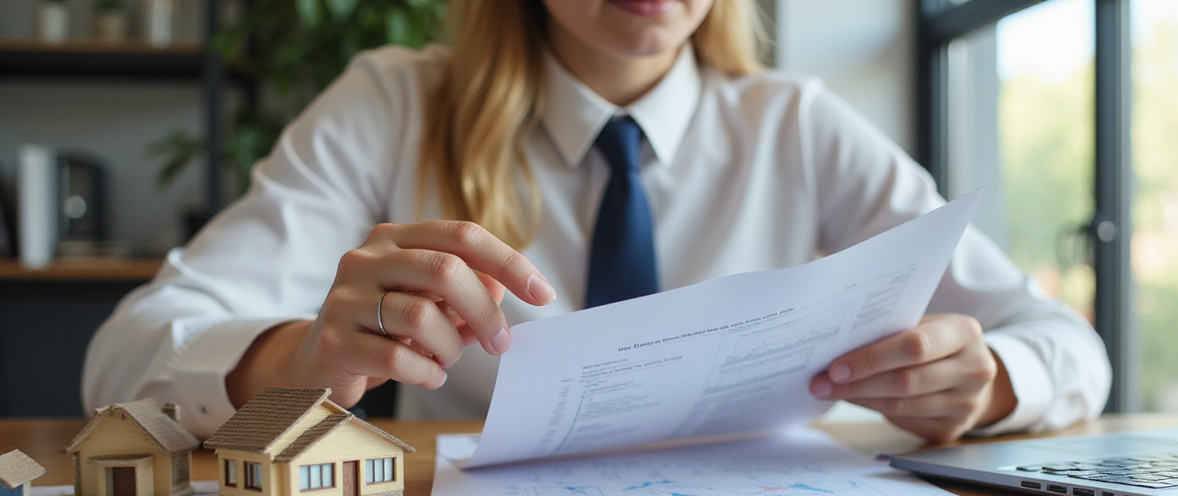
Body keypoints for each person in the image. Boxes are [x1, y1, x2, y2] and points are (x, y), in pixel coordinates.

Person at [83, 0, 1111, 444]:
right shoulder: (391, 106)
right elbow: (121, 358)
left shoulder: (798, 128)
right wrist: (288, 361)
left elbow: (1068, 346)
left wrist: (990, 381)